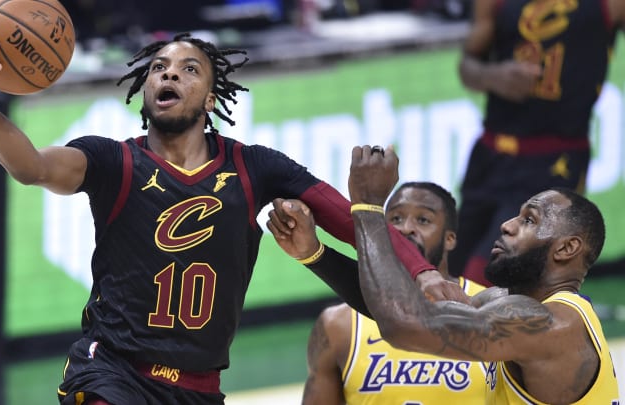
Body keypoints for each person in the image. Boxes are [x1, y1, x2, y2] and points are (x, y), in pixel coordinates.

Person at [0, 12, 449, 405]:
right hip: (112, 372)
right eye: (158, 68)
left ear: (211, 98)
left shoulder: (257, 167)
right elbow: (32, 167)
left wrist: (423, 272)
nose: (169, 72)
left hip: (198, 387)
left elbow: (352, 221)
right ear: (145, 90)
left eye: (189, 69)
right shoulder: (112, 160)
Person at [347, 145, 619, 404]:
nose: (507, 225)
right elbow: (397, 306)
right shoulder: (508, 304)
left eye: (529, 220)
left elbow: (403, 325)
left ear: (567, 248)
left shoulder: (550, 325)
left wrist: (369, 207)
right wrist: (315, 253)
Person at [452, 0, 625, 286]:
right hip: (493, 153)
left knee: (485, 275)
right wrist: (492, 77)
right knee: (449, 270)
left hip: (554, 161)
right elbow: (467, 65)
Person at [268, 182, 488, 404]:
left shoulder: (487, 309)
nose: (405, 229)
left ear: (449, 239)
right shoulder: (338, 325)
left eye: (423, 220)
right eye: (395, 220)